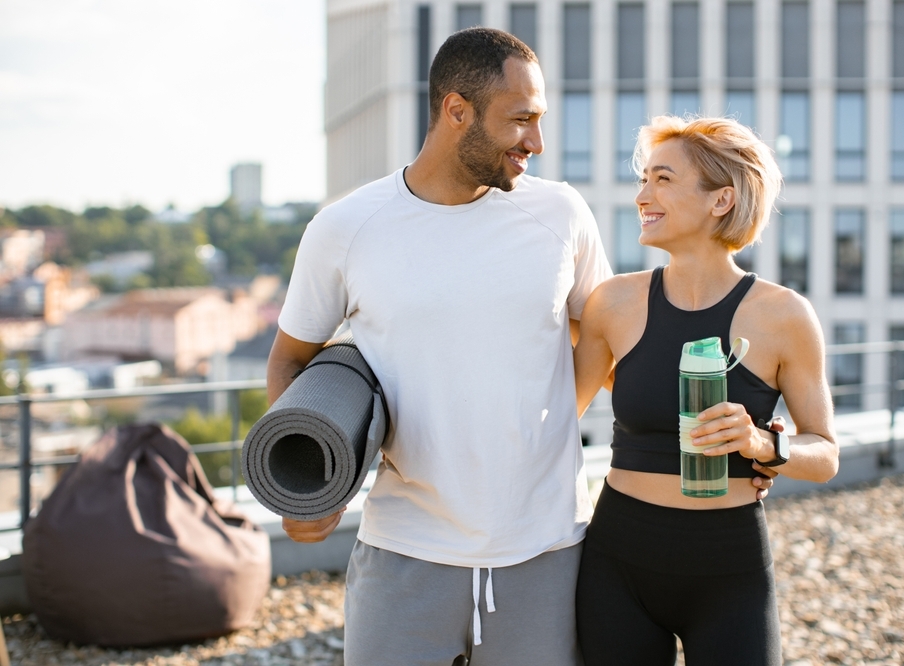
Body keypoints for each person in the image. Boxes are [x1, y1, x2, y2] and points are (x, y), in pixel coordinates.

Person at [267, 28, 614, 666]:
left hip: (545, 552)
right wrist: (303, 488)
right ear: (457, 111)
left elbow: (610, 342)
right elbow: (291, 358)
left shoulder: (561, 215)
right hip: (404, 549)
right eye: (520, 121)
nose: (536, 142)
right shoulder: (345, 227)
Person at [573, 115, 839, 665]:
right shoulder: (612, 304)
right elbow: (551, 418)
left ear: (721, 199)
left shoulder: (784, 315)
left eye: (663, 179)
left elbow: (825, 453)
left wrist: (763, 445)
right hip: (617, 557)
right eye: (643, 178)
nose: (642, 194)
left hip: (728, 566)